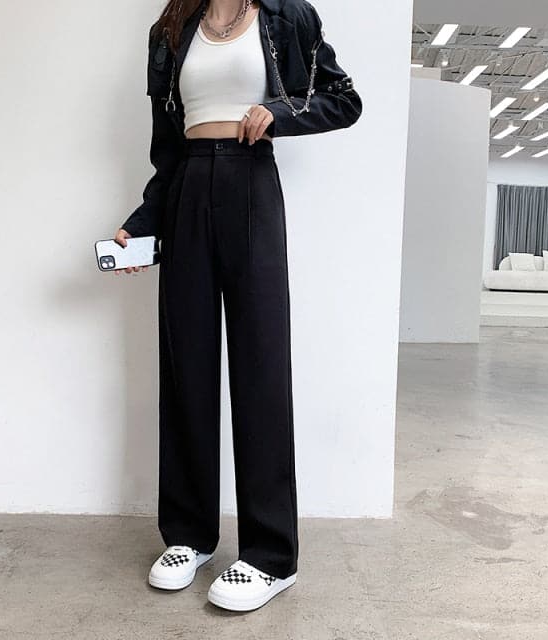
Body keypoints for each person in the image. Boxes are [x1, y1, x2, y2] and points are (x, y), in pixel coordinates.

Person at [113, 0, 362, 612]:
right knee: (187, 366)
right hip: (188, 188)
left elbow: (343, 99)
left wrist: (279, 112)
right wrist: (144, 222)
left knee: (261, 368)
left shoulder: (287, 17)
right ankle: (189, 536)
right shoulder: (171, 29)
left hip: (252, 181)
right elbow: (166, 147)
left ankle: (271, 557)